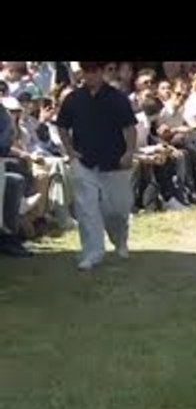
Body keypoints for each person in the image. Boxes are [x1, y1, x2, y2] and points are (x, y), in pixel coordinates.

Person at [56, 61, 138, 271]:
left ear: (102, 72)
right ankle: (91, 253)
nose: (89, 76)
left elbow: (130, 128)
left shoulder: (117, 98)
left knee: (117, 211)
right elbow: (63, 127)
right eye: (86, 71)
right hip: (84, 161)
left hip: (115, 162)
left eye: (93, 71)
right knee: (86, 209)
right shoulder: (73, 99)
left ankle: (120, 241)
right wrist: (70, 152)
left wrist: (129, 152)